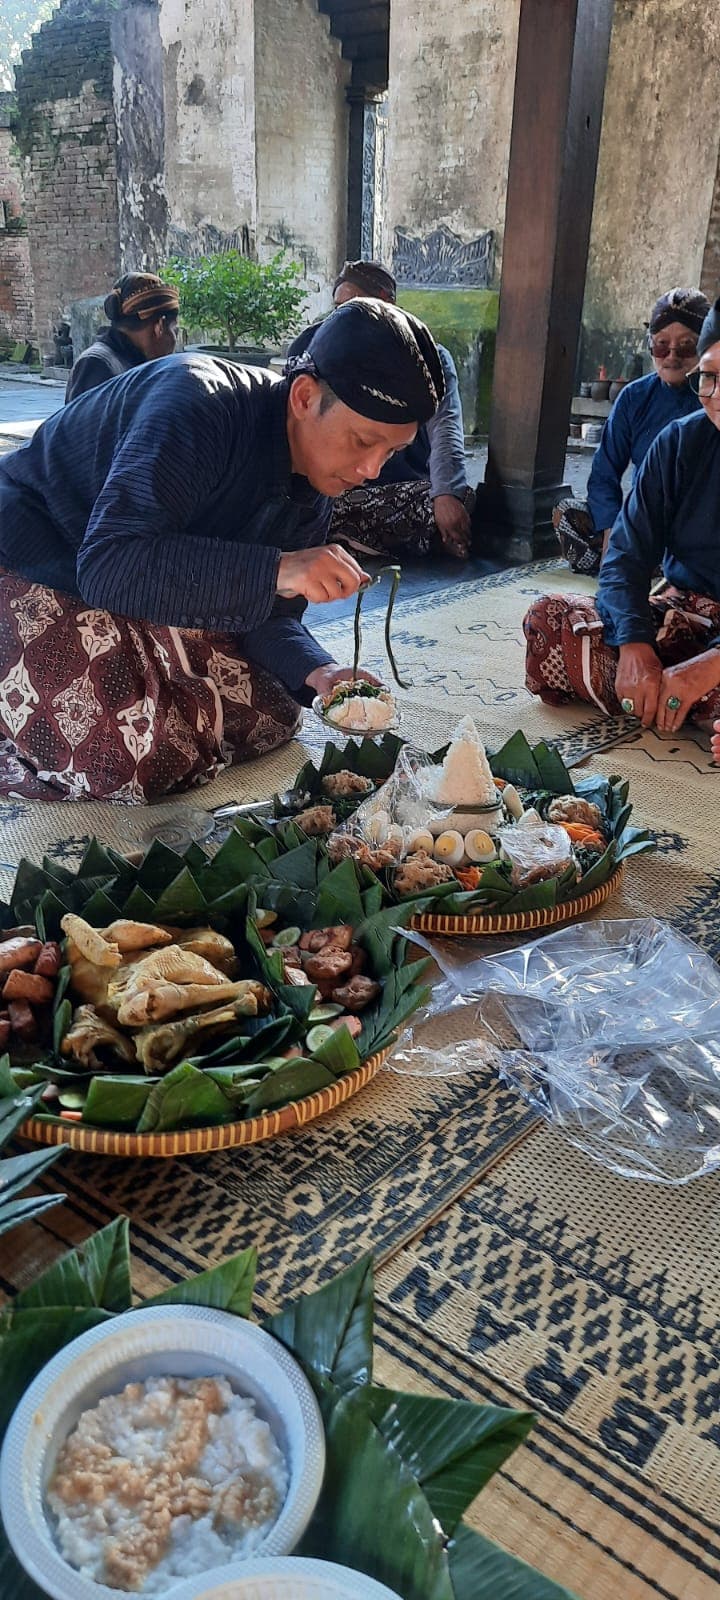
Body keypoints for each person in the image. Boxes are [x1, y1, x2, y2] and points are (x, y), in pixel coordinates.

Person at [0, 299, 444, 802]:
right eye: (363, 441)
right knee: (133, 756)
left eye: (389, 452)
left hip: (135, 573)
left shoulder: (318, 488)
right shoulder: (196, 405)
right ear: (304, 396)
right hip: (39, 549)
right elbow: (108, 565)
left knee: (273, 712)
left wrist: (321, 672)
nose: (371, 470)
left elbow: (270, 615)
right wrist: (278, 567)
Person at [524, 293, 720, 736]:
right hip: (685, 609)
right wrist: (635, 645)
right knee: (549, 622)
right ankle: (674, 695)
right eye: (709, 377)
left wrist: (705, 670)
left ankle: (677, 693)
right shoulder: (678, 443)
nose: (717, 395)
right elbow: (626, 558)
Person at [287, 259, 472, 560]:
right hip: (332, 483)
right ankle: (341, 535)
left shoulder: (427, 360)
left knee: (450, 502)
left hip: (400, 489)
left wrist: (446, 495)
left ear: (386, 304)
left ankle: (340, 538)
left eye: (357, 305)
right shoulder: (312, 346)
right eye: (339, 307)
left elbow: (446, 429)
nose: (345, 317)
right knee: (306, 502)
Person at [554, 286, 709, 574]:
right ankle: (640, 563)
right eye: (661, 345)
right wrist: (610, 528)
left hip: (700, 525)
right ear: (650, 345)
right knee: (568, 514)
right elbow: (604, 474)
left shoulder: (713, 395)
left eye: (687, 346)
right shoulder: (634, 397)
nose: (671, 356)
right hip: (643, 520)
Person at [65, 273, 181, 403]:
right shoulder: (97, 365)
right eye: (175, 330)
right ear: (159, 327)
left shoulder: (135, 362)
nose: (174, 340)